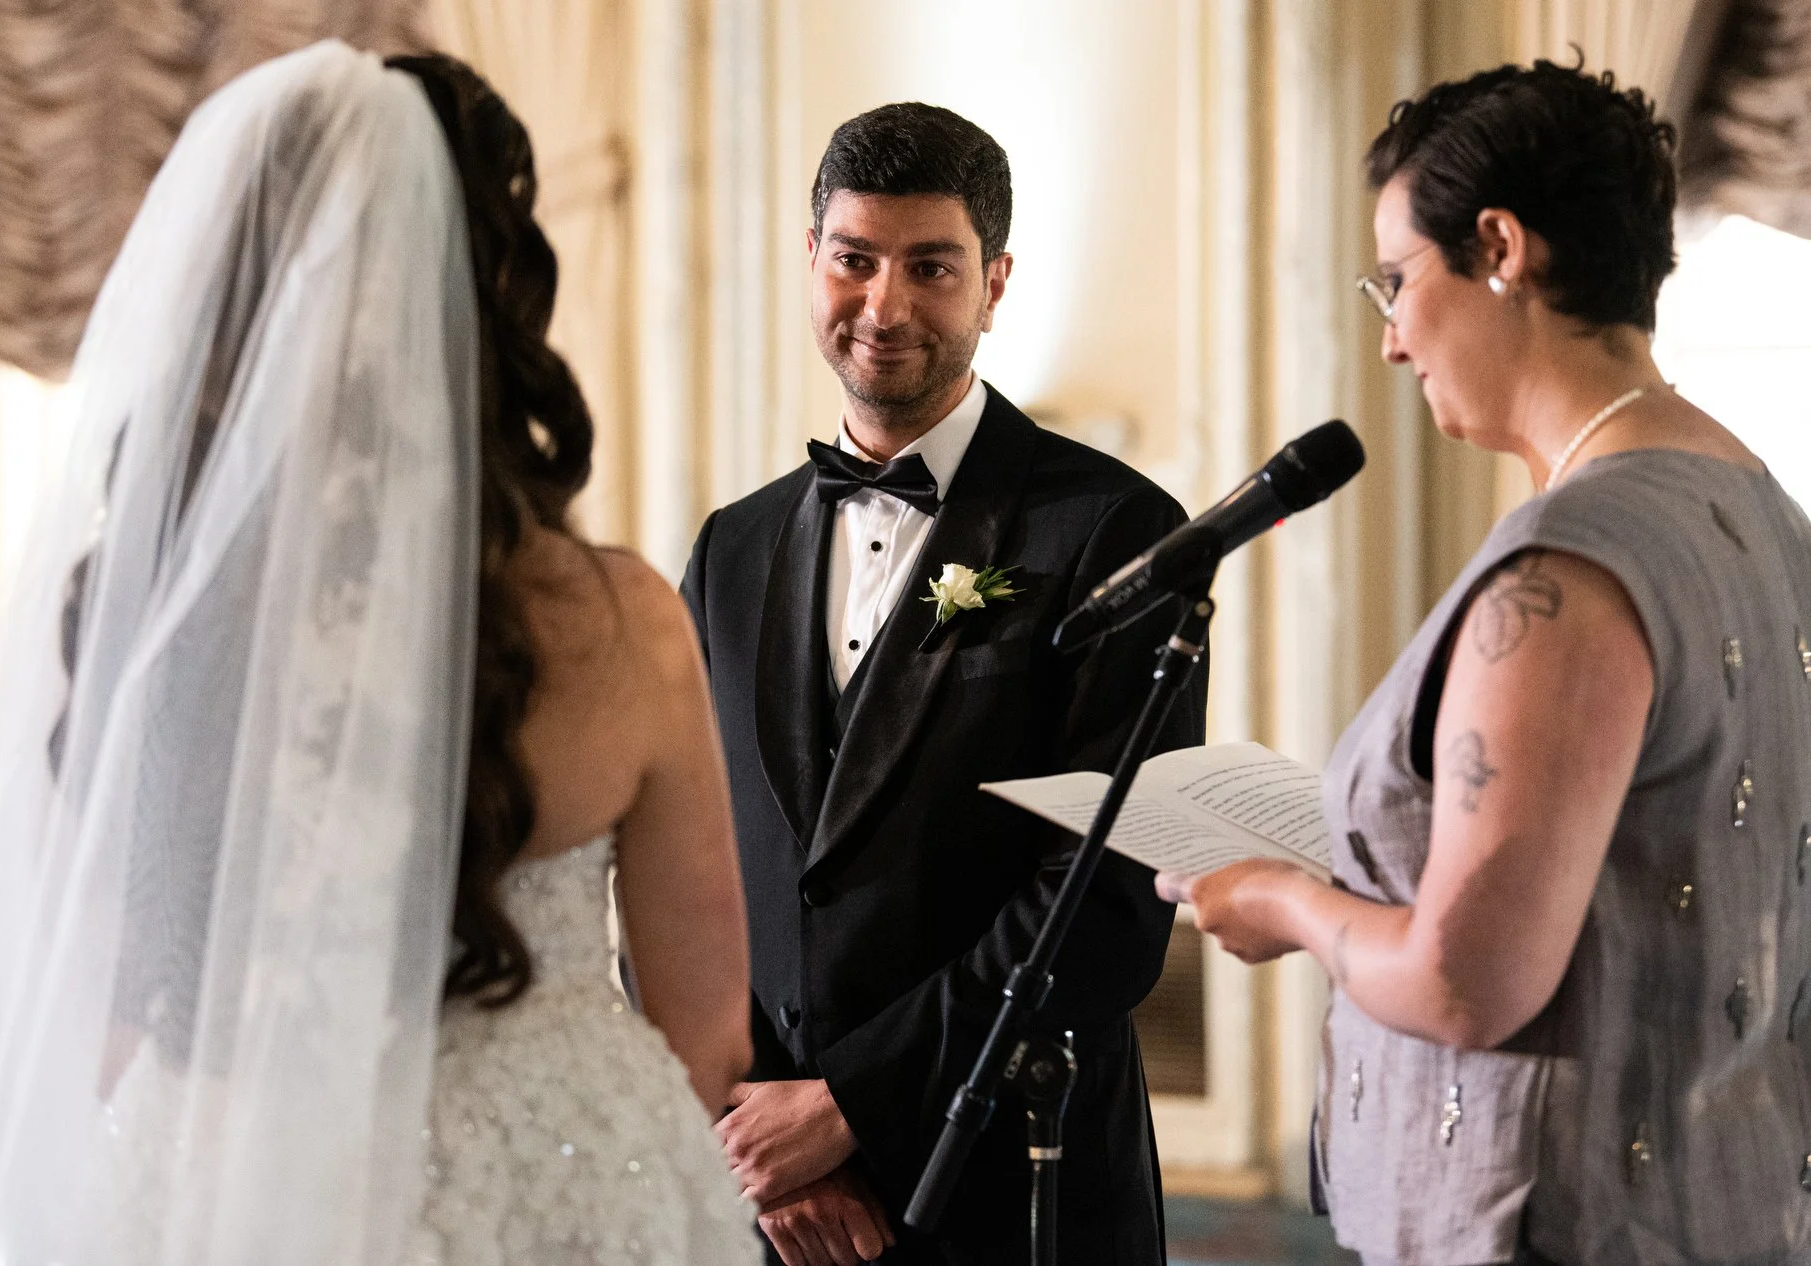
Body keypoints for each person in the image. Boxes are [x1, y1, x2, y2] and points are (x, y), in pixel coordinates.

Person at [0, 41, 760, 1266]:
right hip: (560, 1188)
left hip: (224, 1172)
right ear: (497, 288)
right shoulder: (617, 622)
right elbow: (708, 1032)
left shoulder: (141, 613)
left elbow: (85, 1013)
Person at [1157, 59, 1811, 1266]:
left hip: (1565, 1226)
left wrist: (1281, 902)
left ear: (1500, 249)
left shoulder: (1568, 568)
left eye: (1396, 282)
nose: (1394, 339)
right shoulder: (1761, 505)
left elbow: (1467, 987)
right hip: (1729, 1192)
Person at [681, 102, 1205, 1266]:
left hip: (1016, 1184)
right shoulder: (729, 549)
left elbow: (1106, 908)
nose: (885, 307)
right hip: (765, 1194)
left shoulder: (1117, 531)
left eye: (931, 267)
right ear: (809, 260)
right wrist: (762, 1135)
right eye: (853, 261)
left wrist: (850, 1108)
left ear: (995, 281)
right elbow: (685, 866)